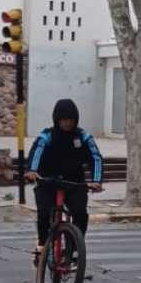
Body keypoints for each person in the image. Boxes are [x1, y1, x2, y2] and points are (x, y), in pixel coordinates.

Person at [24, 99, 104, 267]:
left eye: (71, 120)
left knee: (80, 213)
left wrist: (96, 181)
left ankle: (74, 247)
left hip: (74, 183)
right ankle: (41, 245)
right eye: (64, 119)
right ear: (57, 119)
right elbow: (37, 151)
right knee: (44, 214)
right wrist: (32, 170)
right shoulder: (47, 136)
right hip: (48, 182)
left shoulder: (83, 137)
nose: (67, 123)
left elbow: (96, 158)